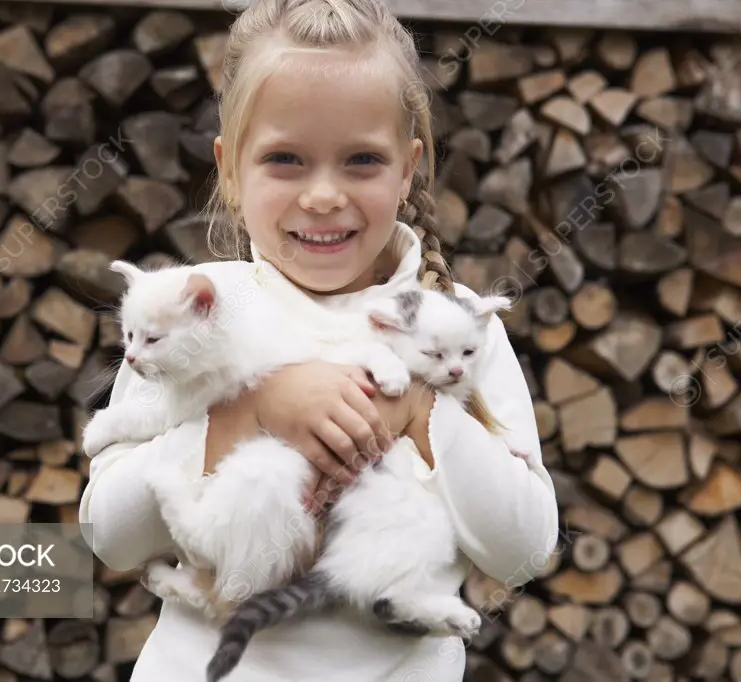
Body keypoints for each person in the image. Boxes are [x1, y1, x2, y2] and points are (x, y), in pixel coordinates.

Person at [78, 0, 559, 679]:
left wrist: (421, 410)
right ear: (231, 170)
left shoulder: (457, 329)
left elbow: (525, 549)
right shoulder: (194, 309)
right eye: (285, 159)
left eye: (362, 160)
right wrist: (248, 413)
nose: (324, 195)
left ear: (409, 169)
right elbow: (110, 537)